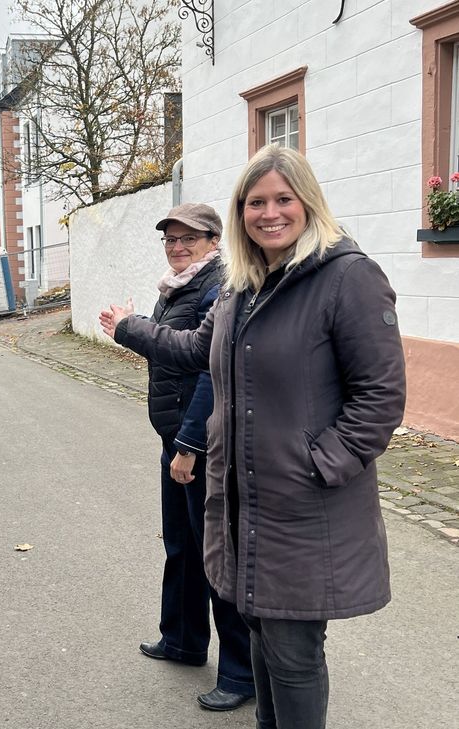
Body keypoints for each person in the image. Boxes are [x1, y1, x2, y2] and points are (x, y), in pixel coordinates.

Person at [100, 144, 406, 729]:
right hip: (242, 504)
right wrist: (130, 329)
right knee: (263, 639)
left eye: (282, 199)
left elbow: (381, 398)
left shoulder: (348, 278)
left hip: (303, 504)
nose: (269, 213)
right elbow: (196, 350)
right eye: (255, 202)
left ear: (308, 203)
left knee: (292, 655)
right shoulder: (243, 286)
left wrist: (319, 464)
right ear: (241, 212)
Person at [106, 203, 254, 711]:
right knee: (182, 547)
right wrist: (135, 325)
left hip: (200, 445)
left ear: (214, 239)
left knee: (217, 557)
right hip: (175, 438)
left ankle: (240, 673)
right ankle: (184, 640)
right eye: (170, 238)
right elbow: (173, 349)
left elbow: (210, 372)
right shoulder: (180, 286)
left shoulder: (220, 285)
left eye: (188, 238)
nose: (177, 246)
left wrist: (191, 444)